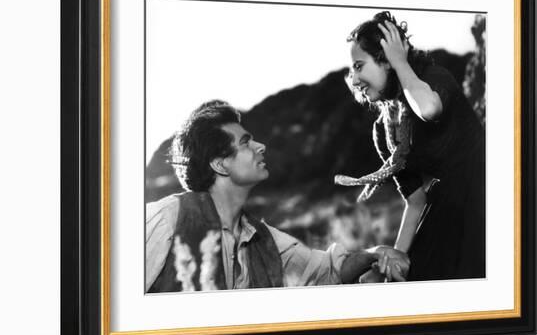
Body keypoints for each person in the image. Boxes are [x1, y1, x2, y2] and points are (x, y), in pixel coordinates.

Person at [146, 100, 408, 292]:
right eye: (245, 142)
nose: (261, 146)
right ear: (220, 164)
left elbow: (327, 271)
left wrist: (375, 253)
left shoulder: (265, 241)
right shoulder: (166, 219)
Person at [338, 11, 485, 281]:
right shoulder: (385, 132)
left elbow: (428, 108)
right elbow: (415, 202)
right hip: (446, 211)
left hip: (490, 198)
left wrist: (399, 61)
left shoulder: (434, 79)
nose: (354, 79)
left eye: (359, 66)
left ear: (385, 60)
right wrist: (394, 261)